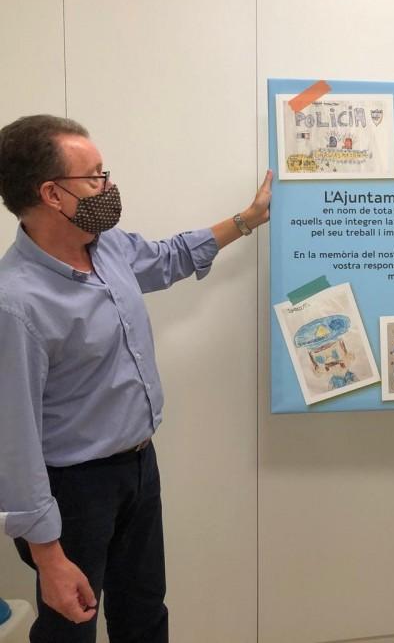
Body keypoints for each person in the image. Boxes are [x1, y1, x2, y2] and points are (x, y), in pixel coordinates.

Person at [0, 114, 272, 642]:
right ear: (52, 194)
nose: (108, 185)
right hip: (74, 490)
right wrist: (48, 556)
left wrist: (247, 219)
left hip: (139, 468)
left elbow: (170, 257)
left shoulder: (107, 247)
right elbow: (15, 441)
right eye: (95, 176)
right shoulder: (17, 303)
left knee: (144, 614)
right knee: (69, 629)